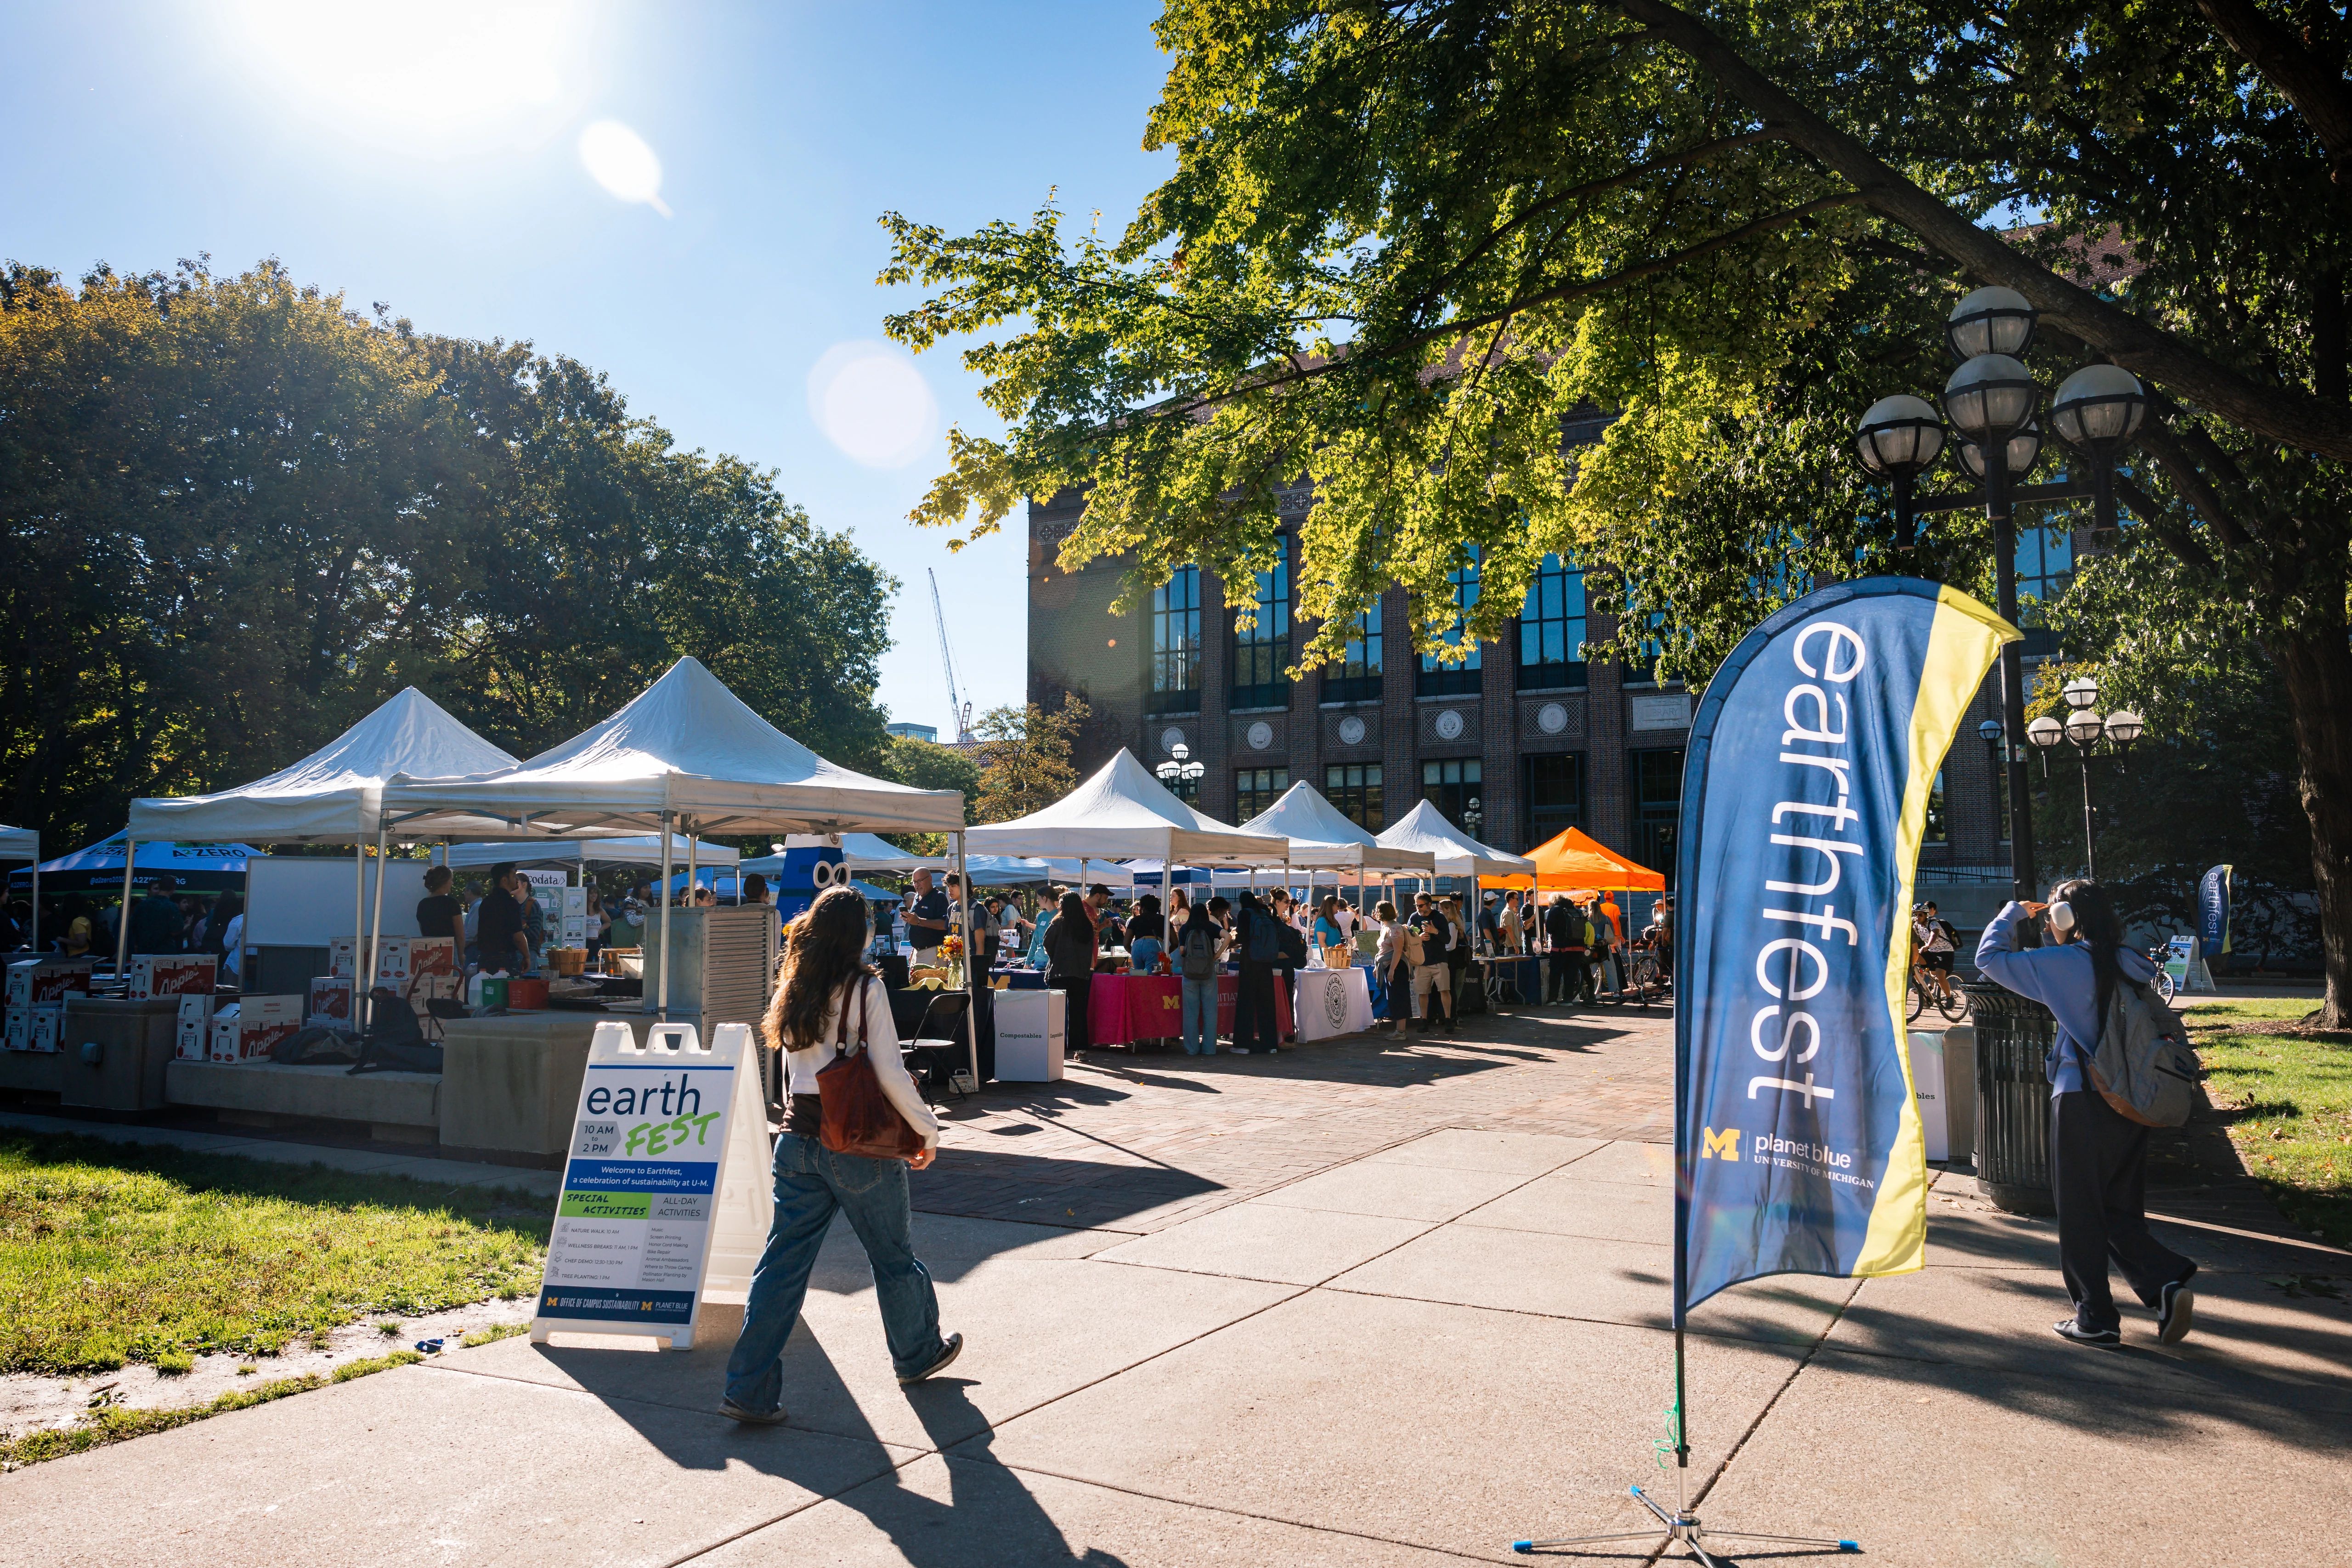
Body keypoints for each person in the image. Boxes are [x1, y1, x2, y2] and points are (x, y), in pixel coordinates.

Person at [723, 885, 960, 1423]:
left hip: (795, 1138)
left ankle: (747, 1387)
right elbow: (889, 1071)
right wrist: (926, 1131)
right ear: (858, 935)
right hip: (855, 1142)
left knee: (781, 1266)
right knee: (892, 1256)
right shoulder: (864, 987)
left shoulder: (792, 985)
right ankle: (917, 1352)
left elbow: (790, 1071)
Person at [1976, 880, 2197, 1348]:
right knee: (2116, 1207)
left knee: (2079, 1210)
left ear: (2063, 917)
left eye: (2051, 915)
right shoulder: (2128, 961)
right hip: (2131, 1100)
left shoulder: (2067, 962)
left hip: (2083, 1097)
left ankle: (2095, 1317)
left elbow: (1988, 959)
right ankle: (2163, 1283)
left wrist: (2012, 914)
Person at [1042, 891, 1098, 1053]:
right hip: (1080, 974)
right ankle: (1080, 1048)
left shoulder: (1058, 923)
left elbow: (1047, 943)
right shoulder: (1087, 925)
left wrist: (1056, 957)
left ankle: (1055, 1046)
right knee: (1078, 1012)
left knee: (1055, 1012)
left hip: (1059, 972)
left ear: (1063, 906)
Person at [1230, 892, 1282, 1055]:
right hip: (1267, 963)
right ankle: (1270, 1044)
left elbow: (1242, 938)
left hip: (1250, 962)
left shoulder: (1245, 914)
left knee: (1246, 1004)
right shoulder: (1265, 913)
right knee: (1267, 1004)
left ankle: (1243, 1044)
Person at [1172, 895, 1223, 1055]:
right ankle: (1209, 1049)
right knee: (1210, 1012)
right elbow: (1228, 936)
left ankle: (1192, 1048)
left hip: (1190, 973)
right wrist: (1216, 955)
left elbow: (1182, 950)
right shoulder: (1210, 927)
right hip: (1208, 972)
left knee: (1190, 1013)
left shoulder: (1186, 929)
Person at [1408, 893, 1456, 1032]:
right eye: (1416, 905)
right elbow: (1408, 938)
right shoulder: (1414, 917)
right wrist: (1419, 937)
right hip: (1422, 962)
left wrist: (1435, 931)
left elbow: (1447, 939)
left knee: (1445, 990)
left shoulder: (1439, 917)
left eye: (1421, 905)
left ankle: (1448, 1020)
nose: (1419, 908)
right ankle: (1424, 1021)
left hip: (1439, 961)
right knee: (1423, 993)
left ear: (1429, 904)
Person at [475, 864, 531, 975]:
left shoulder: (486, 902)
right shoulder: (511, 903)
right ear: (504, 880)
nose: (516, 879)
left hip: (485, 958)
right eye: (514, 876)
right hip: (505, 959)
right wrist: (527, 957)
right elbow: (518, 936)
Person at [1374, 900, 1419, 1038]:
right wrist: (1378, 967)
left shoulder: (1395, 928)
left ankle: (1401, 1031)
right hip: (1389, 965)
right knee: (1394, 999)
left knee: (1399, 998)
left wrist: (1392, 970)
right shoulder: (1386, 927)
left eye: (1377, 910)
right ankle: (1399, 1031)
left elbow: (1398, 951)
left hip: (1397, 967)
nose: (1375, 913)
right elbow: (1383, 950)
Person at [125, 874, 185, 956]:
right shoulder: (171, 907)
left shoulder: (142, 906)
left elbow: (132, 926)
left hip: (144, 950)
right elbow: (177, 929)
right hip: (165, 951)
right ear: (173, 889)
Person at [1544, 894, 1587, 1004]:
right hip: (1578, 947)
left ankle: (1553, 999)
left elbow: (1550, 929)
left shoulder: (1555, 910)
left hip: (1561, 947)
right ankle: (1568, 1000)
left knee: (1556, 973)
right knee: (1571, 974)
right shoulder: (1575, 910)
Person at [1912, 901, 1957, 1005]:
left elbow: (1934, 934)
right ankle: (1922, 987)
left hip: (1945, 952)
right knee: (1913, 958)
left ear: (1926, 915)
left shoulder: (1933, 923)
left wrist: (1928, 945)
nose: (1918, 917)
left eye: (1920, 915)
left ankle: (1949, 998)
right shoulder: (1916, 925)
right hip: (1931, 952)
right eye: (1916, 915)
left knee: (1940, 977)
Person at [416, 866, 464, 952]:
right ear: (445, 882)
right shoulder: (452, 903)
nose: (452, 883)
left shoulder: (422, 904)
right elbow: (460, 935)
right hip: (449, 950)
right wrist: (461, 954)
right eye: (451, 880)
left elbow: (423, 931)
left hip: (429, 950)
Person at [904, 868, 949, 961]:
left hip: (933, 952)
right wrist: (914, 950)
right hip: (917, 952)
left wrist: (919, 921)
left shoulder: (939, 897)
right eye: (915, 882)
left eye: (920, 881)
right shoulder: (917, 897)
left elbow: (944, 924)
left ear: (930, 879)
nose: (917, 885)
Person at [1126, 893, 1166, 975]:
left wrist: (1133, 952)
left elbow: (1126, 943)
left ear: (1143, 908)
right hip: (1155, 946)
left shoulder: (1135, 920)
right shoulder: (1163, 919)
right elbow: (1175, 942)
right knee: (1153, 976)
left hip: (1136, 947)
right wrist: (1163, 954)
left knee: (1138, 976)